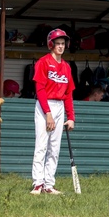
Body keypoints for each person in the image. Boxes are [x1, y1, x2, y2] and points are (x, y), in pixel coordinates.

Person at [31, 29, 76, 195]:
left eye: (63, 43)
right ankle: (38, 183)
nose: (60, 46)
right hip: (45, 105)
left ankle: (49, 184)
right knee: (41, 146)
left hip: (60, 106)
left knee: (54, 148)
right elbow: (40, 89)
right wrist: (48, 113)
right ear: (51, 44)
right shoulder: (43, 62)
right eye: (57, 43)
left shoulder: (66, 67)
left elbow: (69, 94)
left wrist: (71, 117)